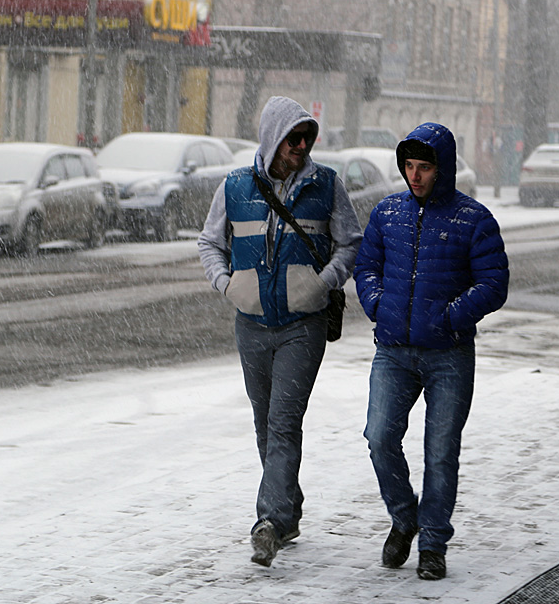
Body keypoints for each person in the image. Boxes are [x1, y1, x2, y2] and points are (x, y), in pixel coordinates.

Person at [198, 96, 362, 567]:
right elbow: (210, 241)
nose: (302, 146)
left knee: (284, 422)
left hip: (302, 326)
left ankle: (268, 522)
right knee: (263, 423)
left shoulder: (326, 185)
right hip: (250, 324)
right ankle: (288, 511)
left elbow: (350, 243)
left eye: (307, 138)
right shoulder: (234, 186)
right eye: (294, 138)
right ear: (273, 138)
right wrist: (227, 284)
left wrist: (323, 283)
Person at [354, 122, 509, 581]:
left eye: (424, 167)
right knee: (379, 437)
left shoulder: (473, 220)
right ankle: (405, 519)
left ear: (442, 169)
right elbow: (366, 267)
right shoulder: (387, 214)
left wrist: (450, 316)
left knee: (440, 452)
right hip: (395, 351)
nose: (415, 176)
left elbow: (494, 284)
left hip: (449, 355)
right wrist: (379, 305)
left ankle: (433, 543)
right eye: (408, 167)